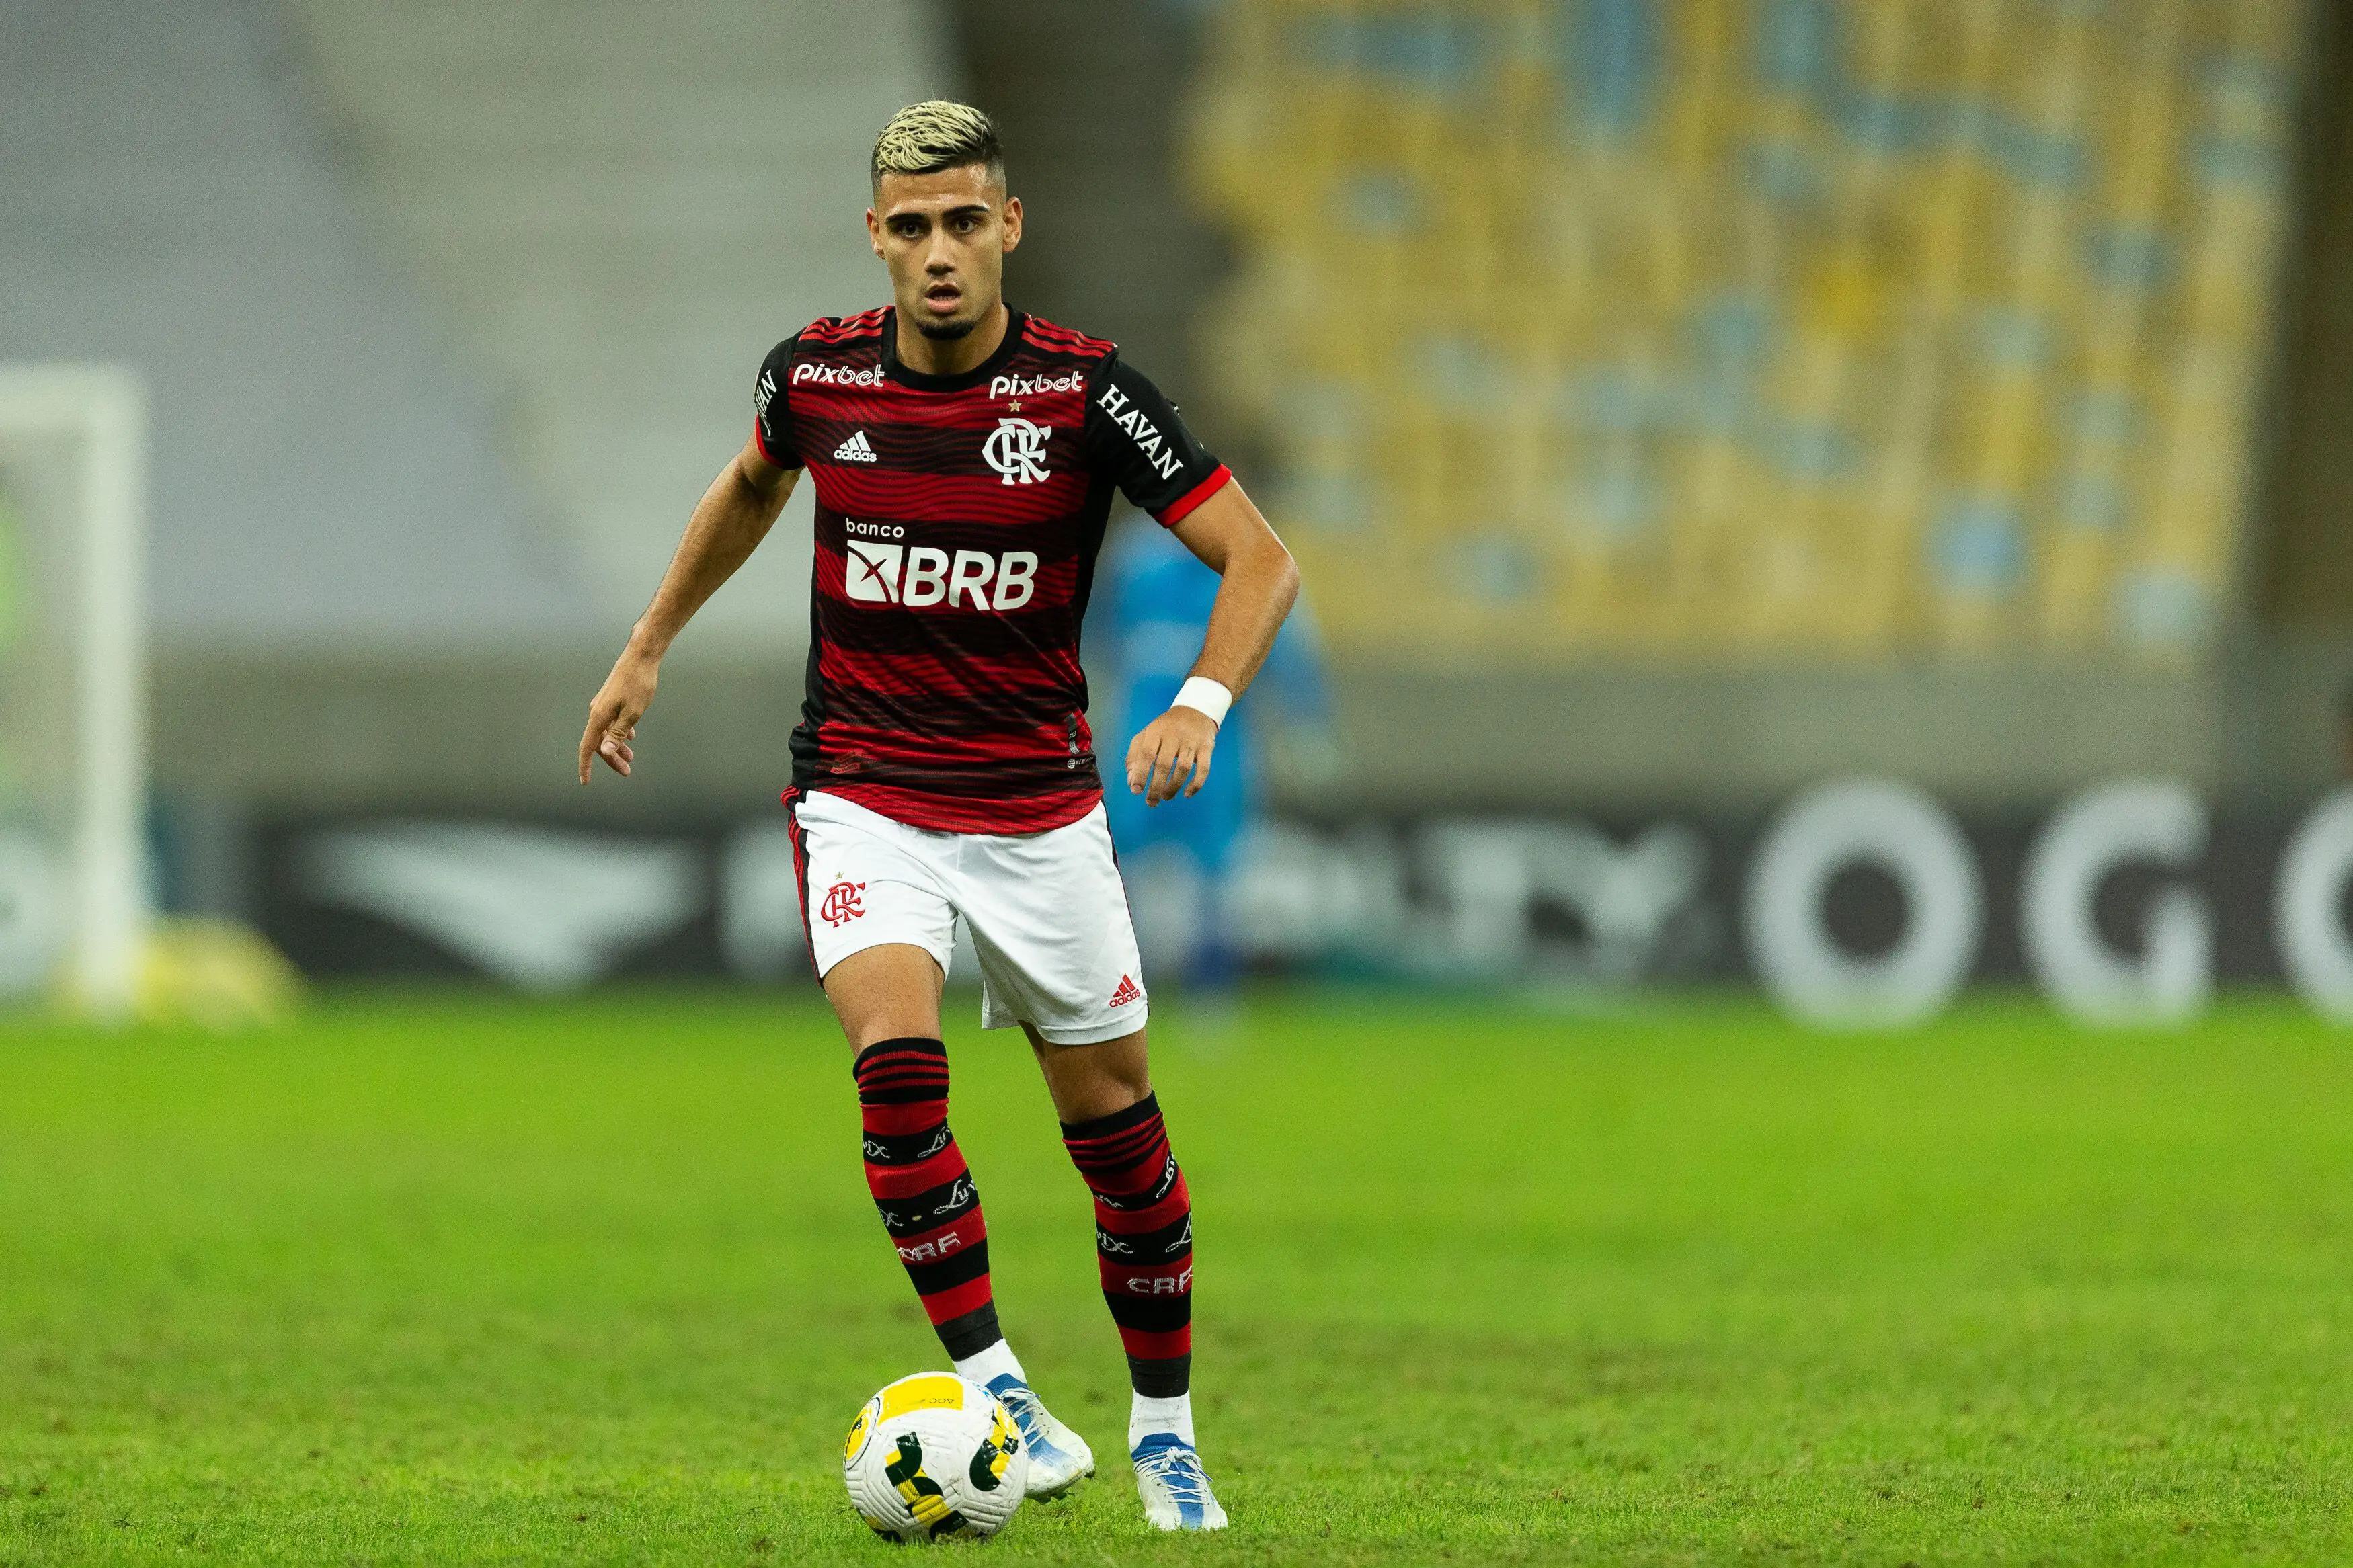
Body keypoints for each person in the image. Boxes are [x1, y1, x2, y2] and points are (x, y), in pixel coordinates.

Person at [577, 101, 1297, 1532]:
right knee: (896, 1073)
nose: (940, 251)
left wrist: (1199, 704)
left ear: (1008, 226)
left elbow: (1260, 559)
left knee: (1118, 1134)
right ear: (876, 239)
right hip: (863, 792)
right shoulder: (817, 374)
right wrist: (650, 636)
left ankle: (1164, 1428)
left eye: (965, 220)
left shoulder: (1087, 396)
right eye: (911, 227)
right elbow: (751, 482)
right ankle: (1002, 1388)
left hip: (1036, 811)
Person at [1101, 518, 1334, 985]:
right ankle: (1123, 984)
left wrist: (1307, 720)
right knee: (1119, 861)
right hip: (1140, 737)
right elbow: (1093, 628)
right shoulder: (1134, 562)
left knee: (1217, 870)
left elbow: (1284, 642)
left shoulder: (1247, 564)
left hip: (1219, 743)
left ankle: (1210, 987)